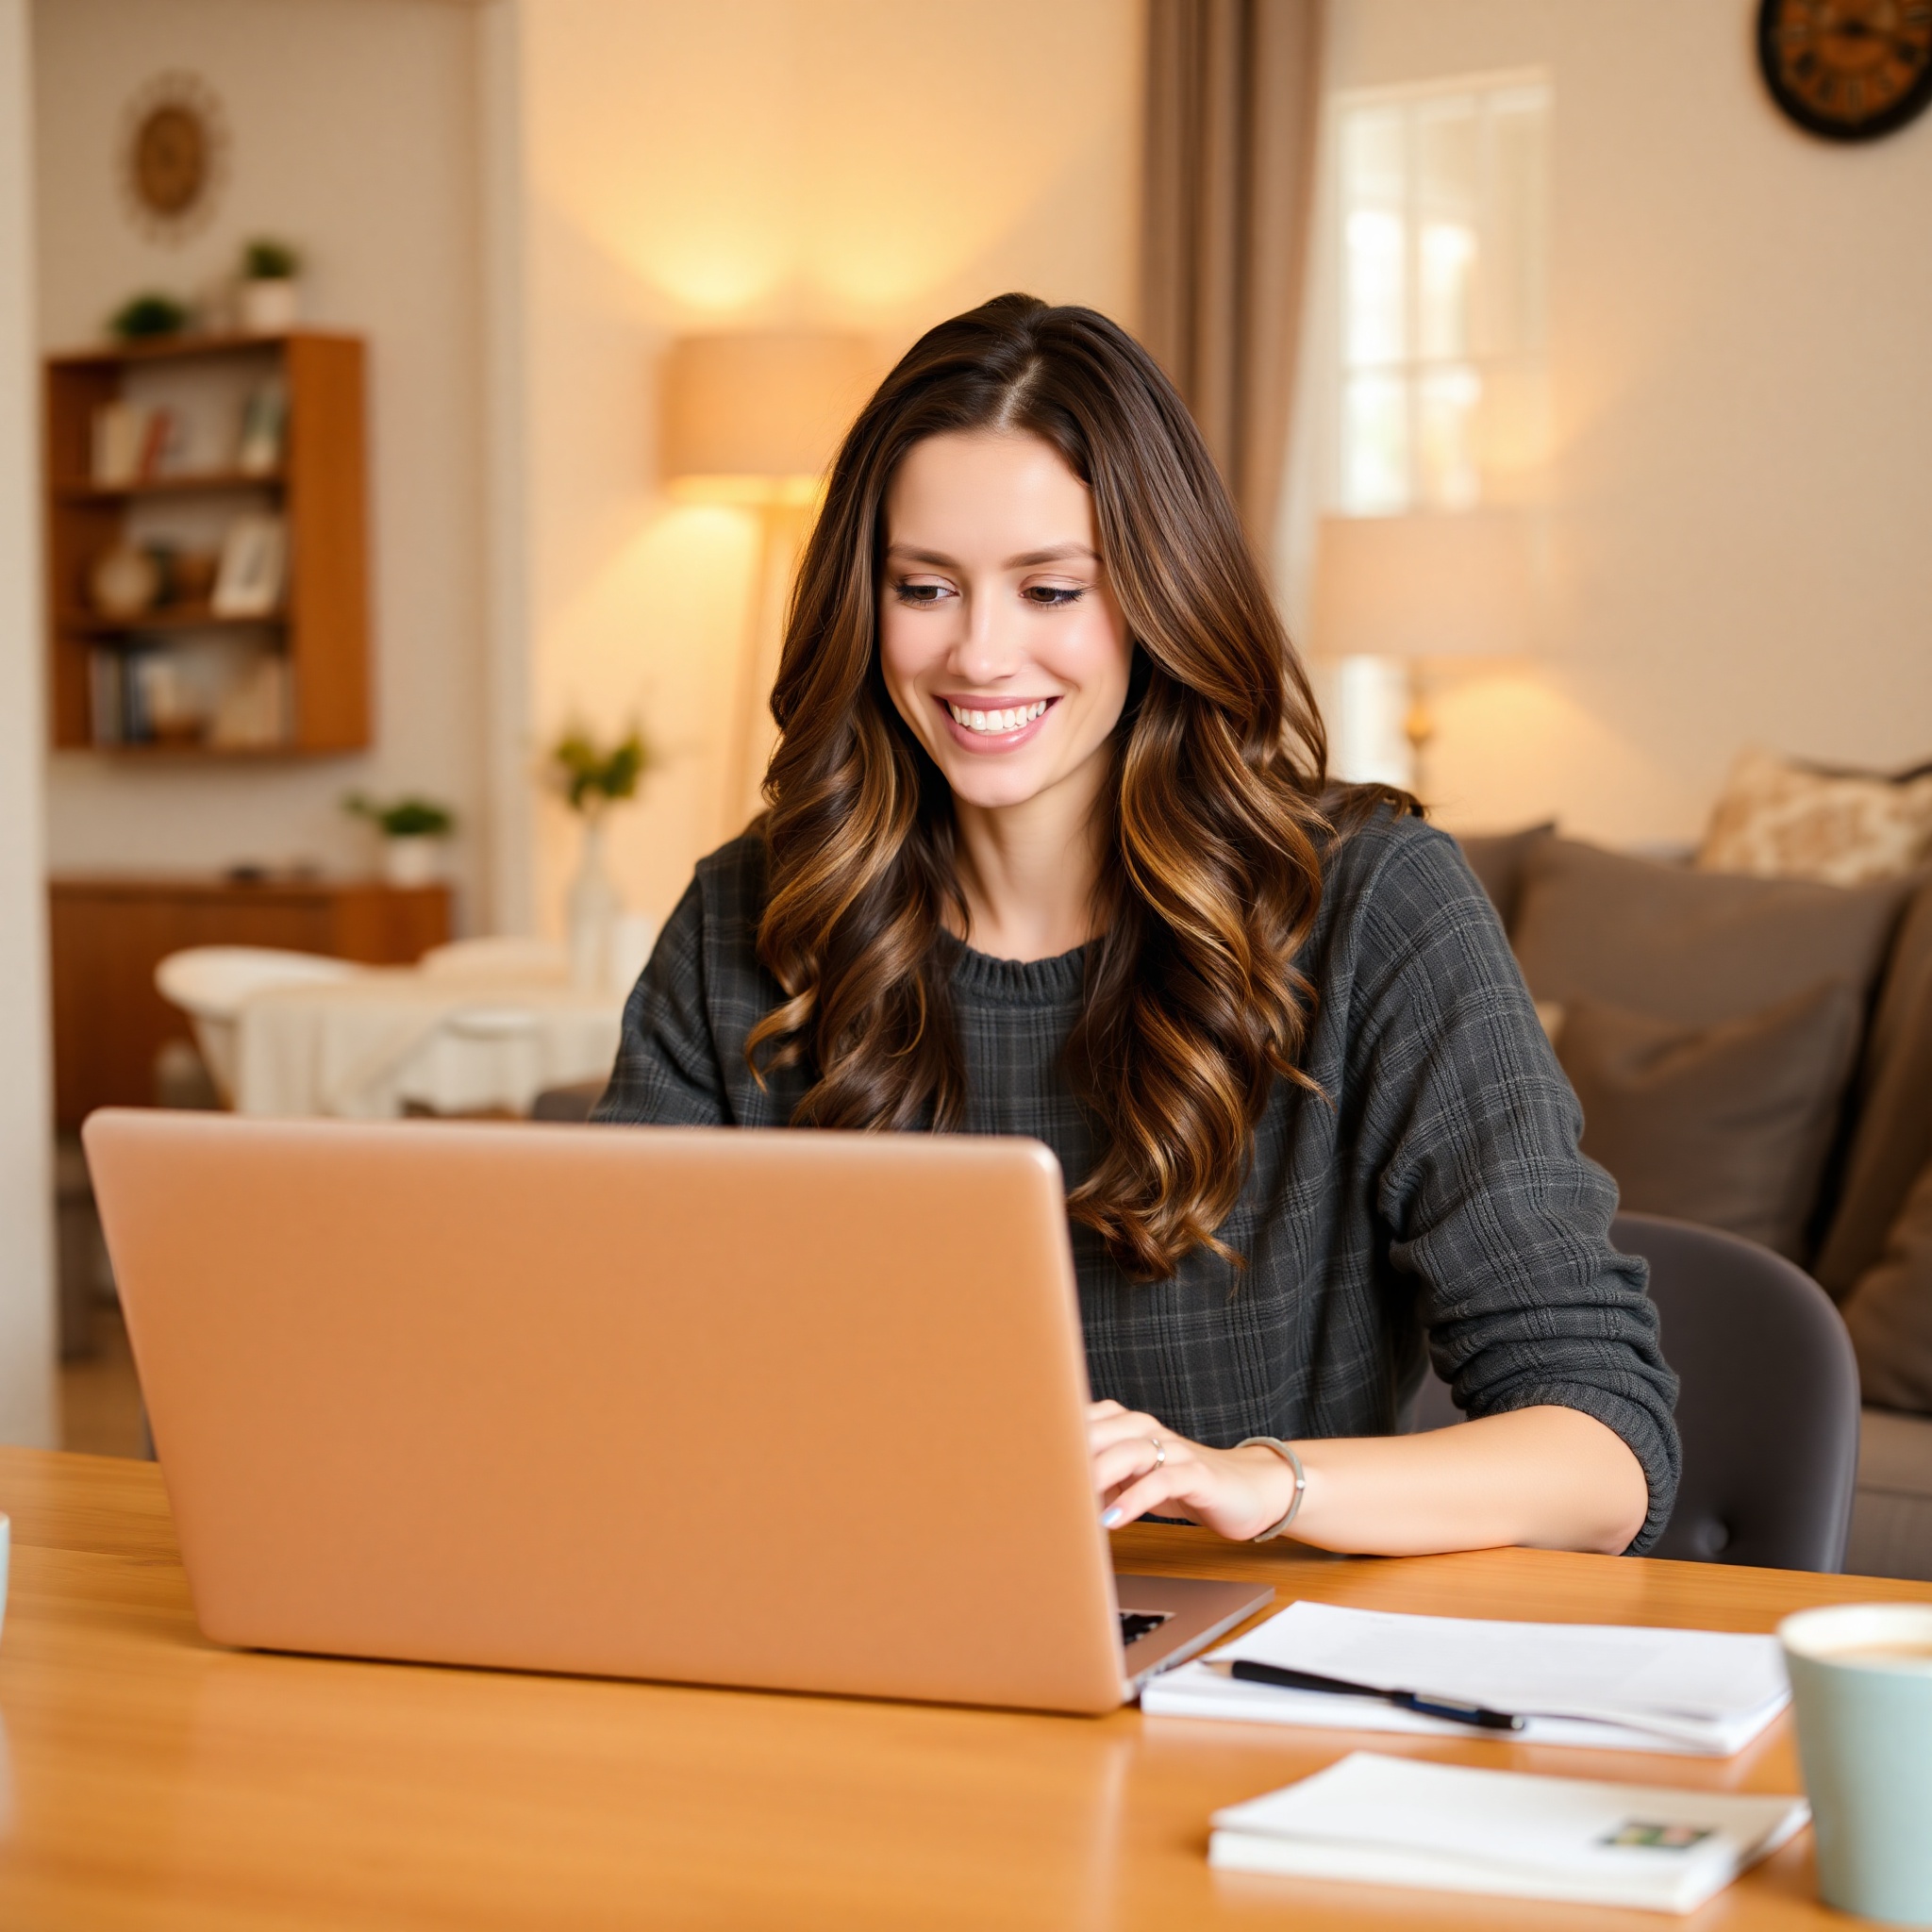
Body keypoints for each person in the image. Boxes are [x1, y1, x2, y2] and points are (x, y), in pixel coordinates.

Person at [595, 293, 1677, 1557]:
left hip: (1249, 1637)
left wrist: (1258, 1483)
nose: (979, 655)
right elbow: (604, 1360)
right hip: (846, 1612)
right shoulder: (752, 912)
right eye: (924, 587)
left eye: (1052, 589)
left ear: (1161, 594)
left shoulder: (1373, 905)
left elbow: (1604, 1447)